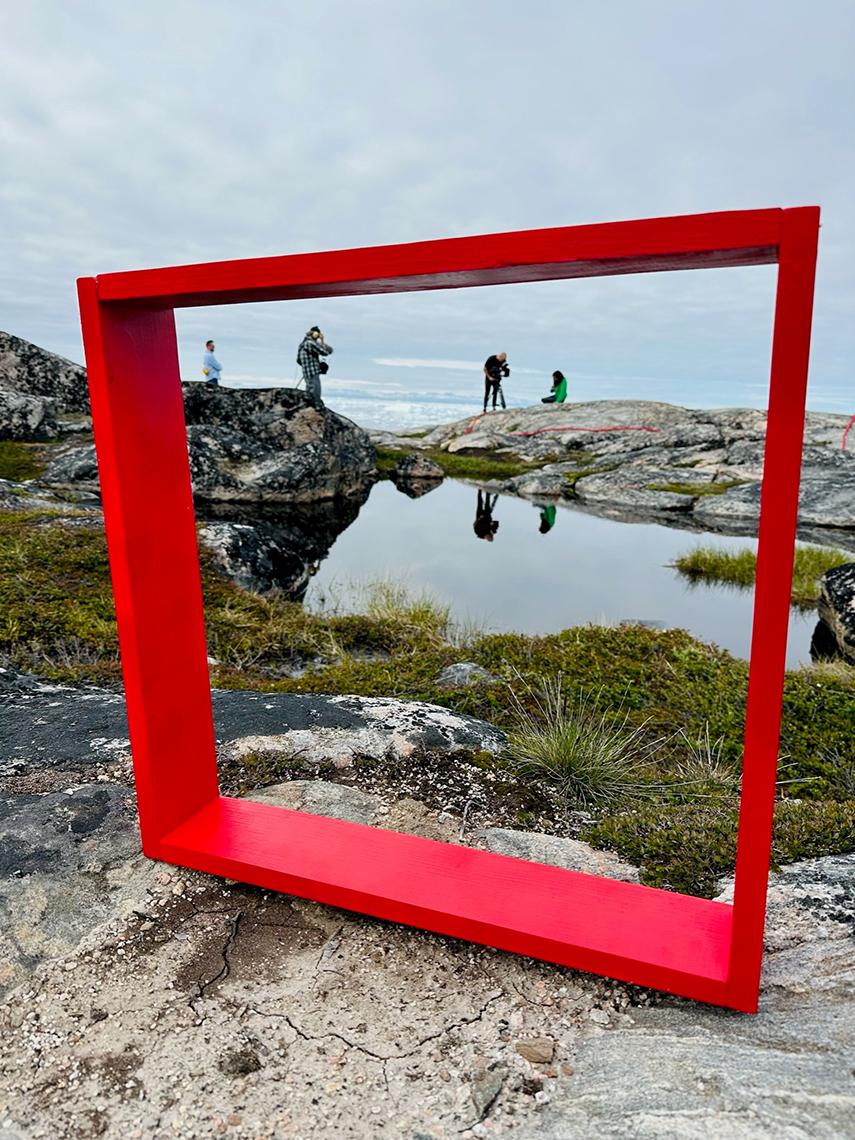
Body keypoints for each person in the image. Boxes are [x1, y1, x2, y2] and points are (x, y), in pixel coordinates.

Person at [297, 326, 334, 407]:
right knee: (315, 392)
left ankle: (309, 406)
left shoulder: (304, 343)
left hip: (307, 371)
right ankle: (314, 407)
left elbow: (330, 350)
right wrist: (322, 341)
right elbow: (325, 352)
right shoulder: (310, 343)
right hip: (312, 371)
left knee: (309, 390)